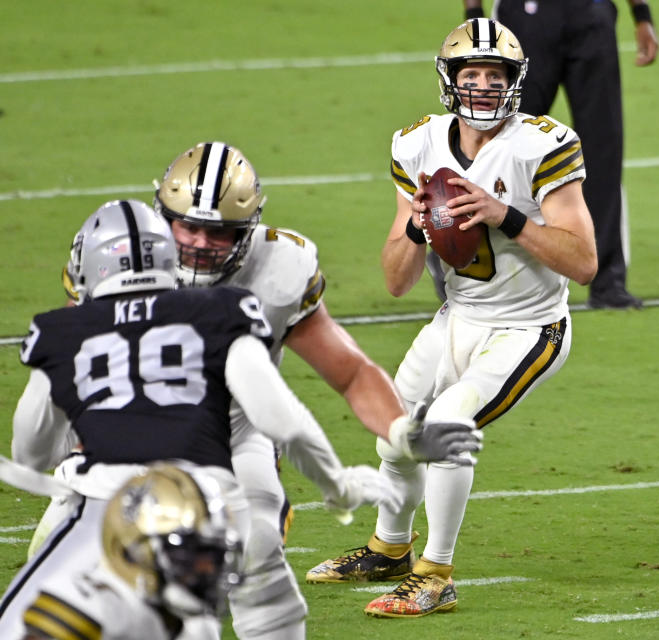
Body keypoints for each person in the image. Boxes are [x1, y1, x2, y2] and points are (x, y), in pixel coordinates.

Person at [33, 143, 483, 638]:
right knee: (54, 571)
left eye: (220, 232)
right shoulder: (117, 254)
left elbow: (350, 372)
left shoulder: (279, 266)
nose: (202, 243)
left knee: (258, 558)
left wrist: (400, 429)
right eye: (189, 226)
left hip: (230, 437)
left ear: (248, 231)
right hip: (123, 434)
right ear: (162, 219)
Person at [0, 199, 404, 639]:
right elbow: (284, 421)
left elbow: (29, 452)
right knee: (256, 592)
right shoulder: (221, 311)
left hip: (100, 500)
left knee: (35, 616)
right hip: (203, 500)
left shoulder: (64, 332)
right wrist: (339, 486)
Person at [304, 17, 598, 618]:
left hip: (530, 325)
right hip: (457, 315)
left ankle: (435, 571)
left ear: (515, 82)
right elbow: (395, 279)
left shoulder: (543, 145)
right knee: (397, 426)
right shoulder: (417, 144)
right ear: (451, 80)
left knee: (448, 425)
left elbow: (586, 263)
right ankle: (389, 547)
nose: (484, 86)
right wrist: (416, 227)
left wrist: (504, 215)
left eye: (496, 74)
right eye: (473, 74)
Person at [454, 0, 658, 309]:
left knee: (603, 151)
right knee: (499, 142)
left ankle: (608, 282)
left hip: (591, 16)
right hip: (524, 19)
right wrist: (474, 17)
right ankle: (463, 258)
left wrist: (641, 13)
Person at [18, 464, 242, 640]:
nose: (206, 571)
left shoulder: (200, 626)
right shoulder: (83, 608)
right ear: (137, 552)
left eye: (214, 558)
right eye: (188, 556)